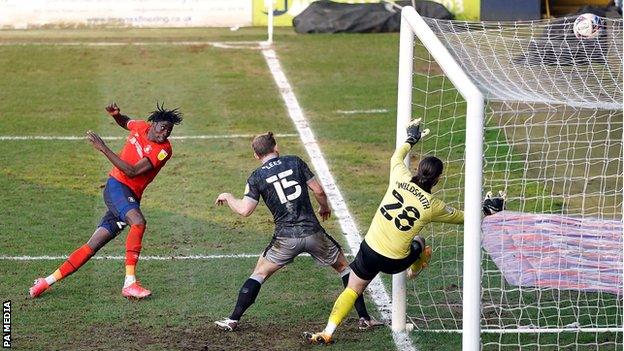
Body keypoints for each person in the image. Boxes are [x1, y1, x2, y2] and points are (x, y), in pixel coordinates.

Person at [304, 119, 505, 344]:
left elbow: (396, 158)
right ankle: (416, 268)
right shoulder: (432, 206)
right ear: (438, 179)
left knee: (353, 289)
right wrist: (487, 210)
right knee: (419, 240)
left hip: (369, 249)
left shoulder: (399, 177)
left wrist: (411, 139)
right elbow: (465, 218)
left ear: (418, 170)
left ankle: (328, 331)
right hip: (394, 262)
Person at [214, 132, 382, 331]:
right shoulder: (295, 161)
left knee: (259, 274)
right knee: (345, 269)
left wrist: (228, 196)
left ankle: (233, 319)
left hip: (285, 239)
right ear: (276, 148)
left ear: (256, 156)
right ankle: (364, 318)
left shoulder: (256, 177)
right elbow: (318, 191)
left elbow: (244, 210)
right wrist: (324, 207)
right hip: (314, 234)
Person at [29, 102, 183, 300]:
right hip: (116, 187)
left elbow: (133, 171)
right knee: (138, 222)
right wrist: (117, 116)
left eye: (168, 131)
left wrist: (103, 148)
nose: (165, 134)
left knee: (92, 246)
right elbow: (127, 122)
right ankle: (130, 283)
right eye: (163, 128)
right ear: (152, 124)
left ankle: (45, 282)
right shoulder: (141, 126)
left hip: (129, 196)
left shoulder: (163, 150)